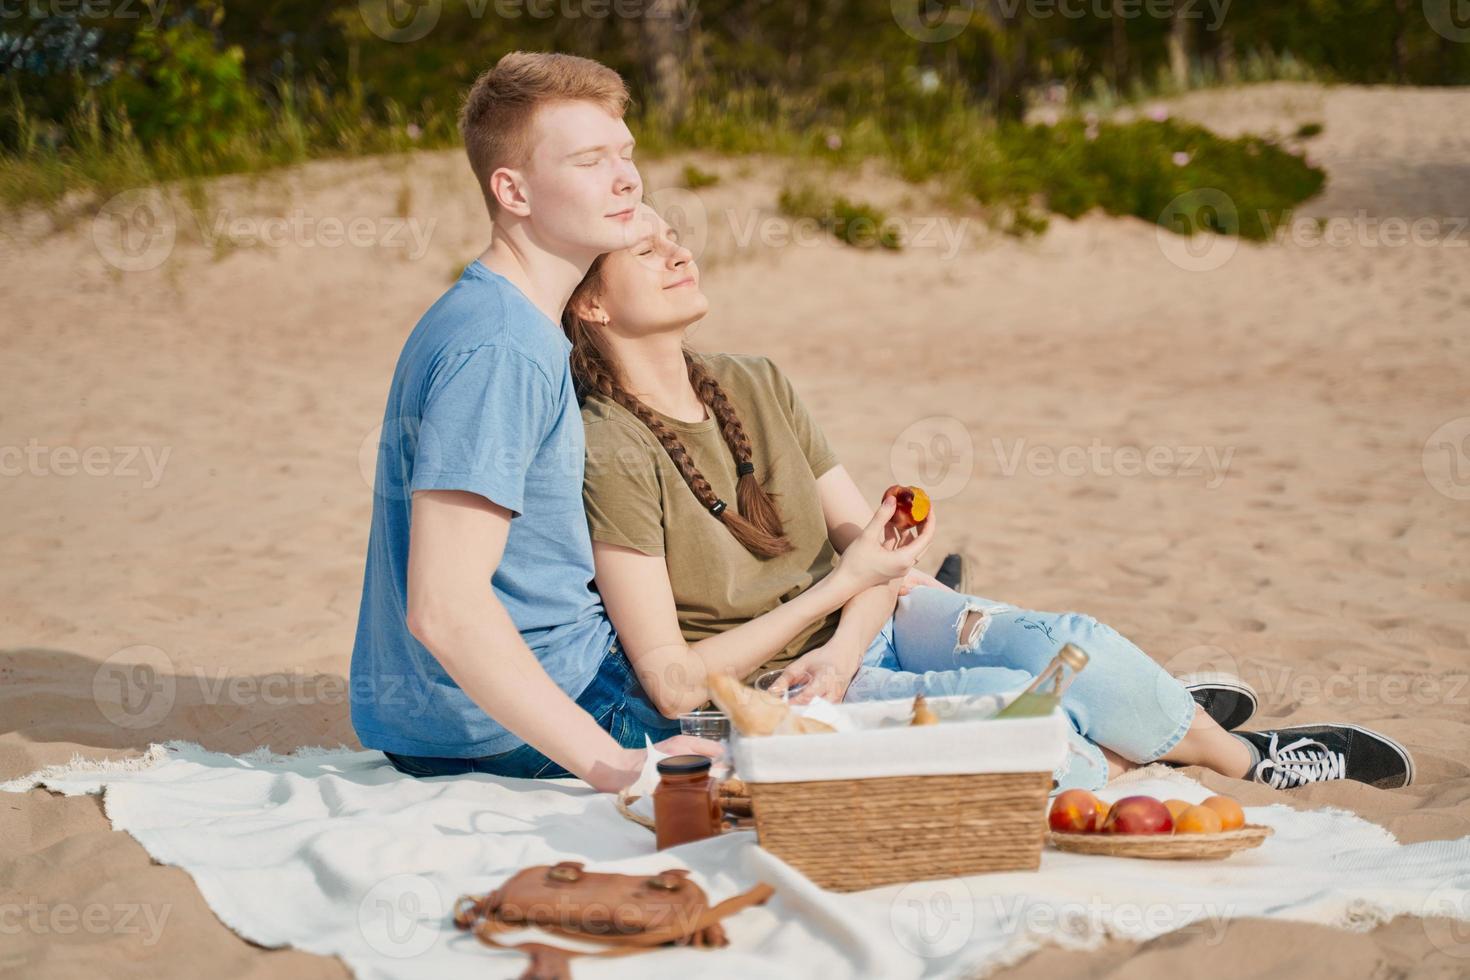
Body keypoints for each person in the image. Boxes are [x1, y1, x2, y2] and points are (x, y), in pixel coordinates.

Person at [564, 204, 1416, 792]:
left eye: (676, 237)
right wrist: (836, 620)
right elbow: (677, 687)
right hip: (791, 692)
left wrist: (856, 622)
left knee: (1074, 643)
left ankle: (1242, 757)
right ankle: (1146, 726)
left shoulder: (756, 382)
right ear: (592, 302)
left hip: (875, 626)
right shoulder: (611, 446)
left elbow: (885, 554)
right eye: (646, 251)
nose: (680, 253)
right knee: (1033, 724)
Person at [349, 53, 924, 791]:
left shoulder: (488, 313)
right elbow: (445, 607)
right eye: (589, 161)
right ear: (513, 190)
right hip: (537, 711)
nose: (626, 178)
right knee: (890, 745)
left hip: (445, 718)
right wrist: (613, 763)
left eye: (625, 154)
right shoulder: (504, 348)